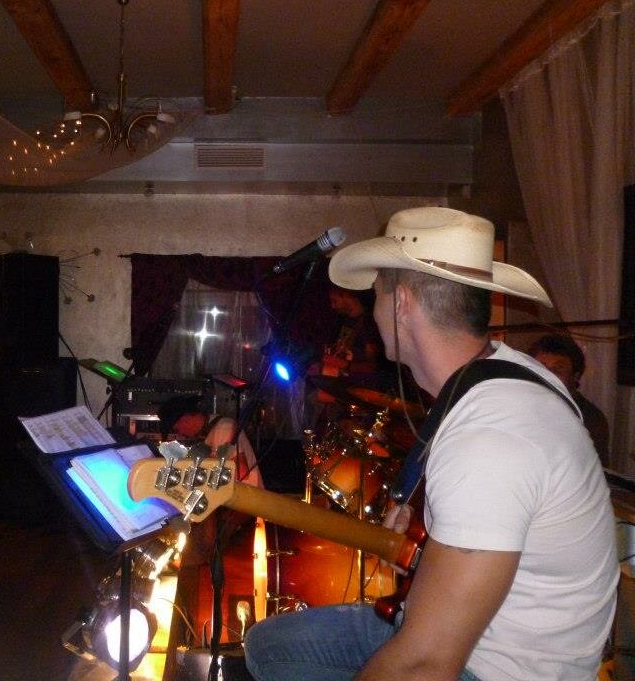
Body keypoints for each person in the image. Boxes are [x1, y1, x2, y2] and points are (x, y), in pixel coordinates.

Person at [244, 207, 618, 680]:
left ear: (401, 303)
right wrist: (421, 516)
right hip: (480, 632)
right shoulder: (499, 372)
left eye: (377, 291)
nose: (373, 309)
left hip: (499, 668)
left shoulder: (490, 438)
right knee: (269, 646)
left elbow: (424, 666)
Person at [528, 333, 611, 466]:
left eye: (557, 369)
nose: (547, 375)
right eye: (540, 368)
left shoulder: (589, 418)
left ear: (575, 376)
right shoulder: (522, 403)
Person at [157, 393, 263, 488]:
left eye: (176, 429)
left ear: (185, 419)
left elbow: (240, 472)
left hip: (248, 500)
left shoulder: (224, 428)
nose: (180, 434)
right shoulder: (210, 434)